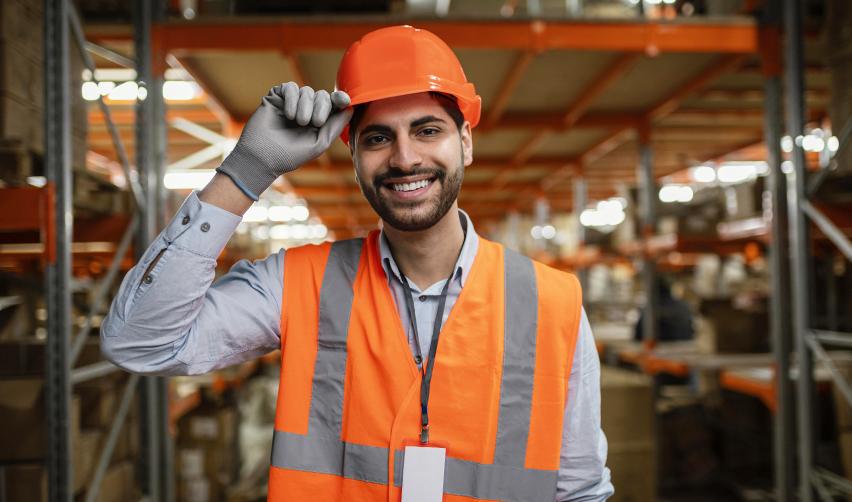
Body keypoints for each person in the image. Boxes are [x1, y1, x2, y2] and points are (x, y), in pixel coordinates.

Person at [102, 25, 613, 501]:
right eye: (377, 137)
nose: (404, 158)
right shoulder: (298, 283)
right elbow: (139, 342)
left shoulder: (552, 304)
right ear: (353, 157)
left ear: (466, 142)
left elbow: (580, 489)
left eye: (427, 130)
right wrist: (247, 170)